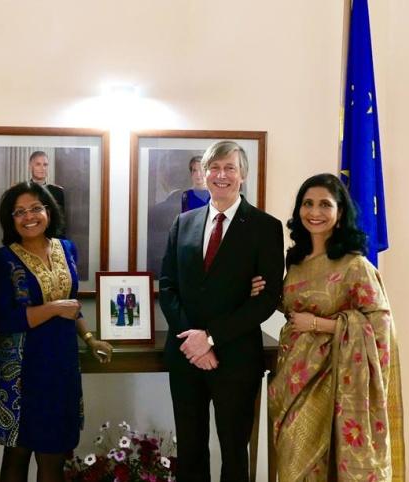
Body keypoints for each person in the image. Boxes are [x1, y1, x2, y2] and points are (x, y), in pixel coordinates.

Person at [252, 173, 404, 480]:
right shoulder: (295, 261)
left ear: (340, 212)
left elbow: (379, 325)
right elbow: (298, 305)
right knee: (293, 462)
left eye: (324, 204)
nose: (314, 212)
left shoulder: (355, 266)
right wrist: (266, 291)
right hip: (293, 376)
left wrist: (320, 325)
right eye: (307, 204)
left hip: (336, 381)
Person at [159, 140, 285, 481]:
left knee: (233, 452)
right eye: (214, 168)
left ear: (242, 175)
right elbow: (167, 286)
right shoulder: (183, 223)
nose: (221, 175)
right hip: (186, 357)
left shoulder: (265, 227)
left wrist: (212, 338)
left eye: (229, 168)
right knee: (190, 449)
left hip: (236, 357)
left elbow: (267, 297)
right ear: (203, 173)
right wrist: (194, 341)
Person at [0, 181, 113, 482]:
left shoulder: (66, 248)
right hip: (21, 367)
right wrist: (55, 308)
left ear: (48, 211)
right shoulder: (1, 260)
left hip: (61, 364)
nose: (28, 216)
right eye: (19, 212)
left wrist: (88, 337)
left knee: (54, 456)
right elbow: (4, 319)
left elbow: (72, 305)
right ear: (10, 219)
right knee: (17, 454)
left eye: (35, 208)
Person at [28, 150, 66, 216]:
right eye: (38, 164)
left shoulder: (58, 192)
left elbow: (61, 222)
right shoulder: (22, 191)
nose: (42, 168)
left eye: (45, 165)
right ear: (30, 167)